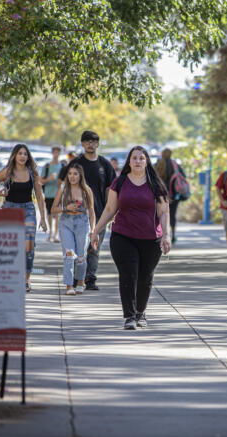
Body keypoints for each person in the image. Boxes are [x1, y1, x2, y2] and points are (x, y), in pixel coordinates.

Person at [91, 146, 171, 330]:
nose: (137, 161)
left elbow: (164, 212)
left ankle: (140, 313)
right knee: (129, 274)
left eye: (141, 158)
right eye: (134, 158)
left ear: (146, 161)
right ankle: (129, 316)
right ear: (129, 161)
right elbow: (110, 209)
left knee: (145, 277)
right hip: (122, 236)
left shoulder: (155, 184)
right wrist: (96, 230)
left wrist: (166, 235)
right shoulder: (119, 183)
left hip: (151, 239)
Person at [0, 144, 47, 293]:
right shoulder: (7, 172)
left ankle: (26, 279)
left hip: (28, 209)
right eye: (20, 153)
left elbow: (39, 195)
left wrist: (43, 218)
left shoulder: (33, 173)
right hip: (9, 209)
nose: (23, 156)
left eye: (25, 154)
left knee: (29, 244)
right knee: (9, 245)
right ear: (14, 155)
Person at [59, 131, 116, 291]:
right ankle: (78, 280)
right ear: (82, 144)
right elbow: (64, 184)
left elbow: (110, 190)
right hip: (77, 214)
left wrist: (111, 211)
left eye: (93, 141)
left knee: (93, 248)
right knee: (79, 249)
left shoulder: (104, 165)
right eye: (87, 141)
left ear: (98, 144)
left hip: (99, 213)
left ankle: (90, 279)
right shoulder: (76, 163)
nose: (90, 144)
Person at [52, 164, 96, 296]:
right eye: (70, 174)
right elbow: (53, 209)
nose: (72, 176)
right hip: (66, 223)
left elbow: (92, 211)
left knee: (81, 256)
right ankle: (69, 285)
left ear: (80, 175)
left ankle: (81, 282)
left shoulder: (86, 190)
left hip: (82, 223)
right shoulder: (63, 189)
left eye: (75, 174)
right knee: (69, 255)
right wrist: (66, 208)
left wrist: (93, 230)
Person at [154, 148, 186, 243]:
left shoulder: (157, 164)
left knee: (159, 214)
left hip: (159, 194)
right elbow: (183, 176)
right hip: (174, 195)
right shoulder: (175, 165)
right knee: (172, 215)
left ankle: (160, 234)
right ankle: (173, 235)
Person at [41, 145, 64, 243]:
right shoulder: (47, 166)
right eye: (55, 152)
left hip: (59, 193)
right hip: (48, 193)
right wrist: (49, 179)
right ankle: (50, 233)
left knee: (58, 214)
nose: (56, 154)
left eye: (58, 152)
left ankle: (56, 234)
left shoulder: (62, 166)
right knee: (50, 214)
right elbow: (41, 180)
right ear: (52, 153)